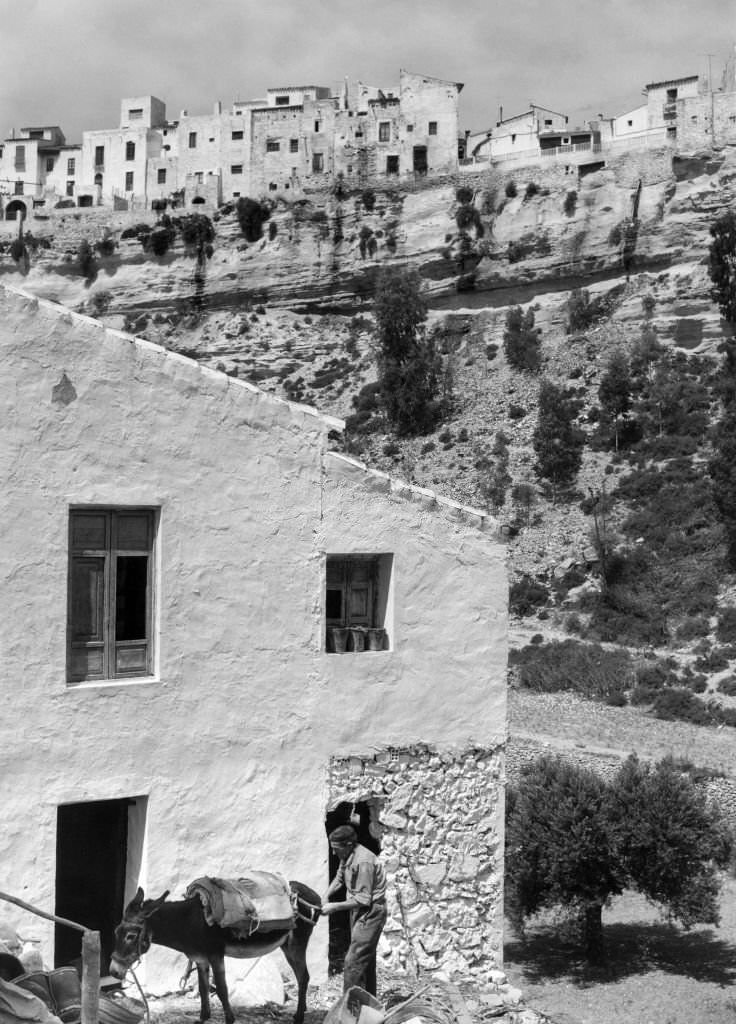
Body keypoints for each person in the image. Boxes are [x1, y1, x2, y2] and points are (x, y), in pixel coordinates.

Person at [321, 824, 387, 997]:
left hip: (371, 912)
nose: (334, 853)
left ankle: (349, 1007)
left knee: (353, 962)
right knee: (365, 959)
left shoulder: (363, 861)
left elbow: (363, 899)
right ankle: (369, 1003)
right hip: (359, 912)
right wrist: (325, 896)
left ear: (349, 844)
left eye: (336, 849)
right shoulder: (347, 855)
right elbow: (339, 878)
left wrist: (334, 907)